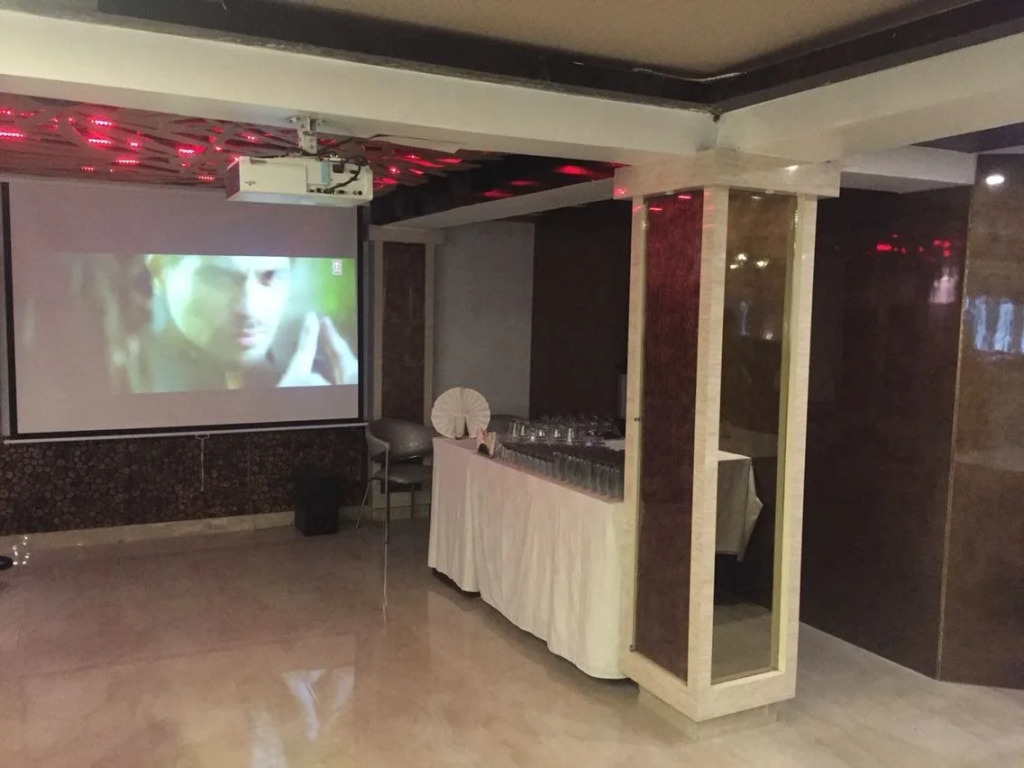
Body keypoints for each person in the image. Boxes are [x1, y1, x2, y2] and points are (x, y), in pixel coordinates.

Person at [127, 254, 358, 392]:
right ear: (159, 271)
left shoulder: (323, 373)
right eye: (219, 277)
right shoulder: (125, 372)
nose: (249, 309)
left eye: (271, 276)